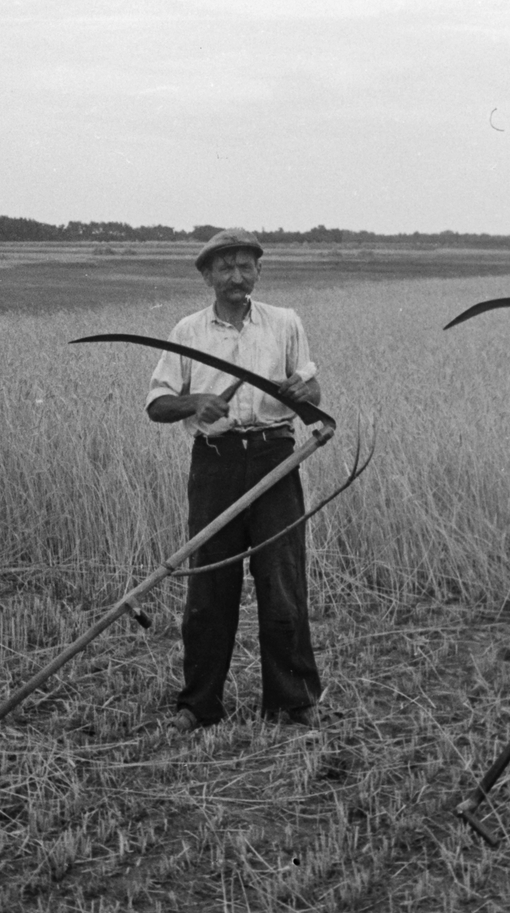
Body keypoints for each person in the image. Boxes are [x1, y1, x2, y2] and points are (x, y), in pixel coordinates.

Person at [146, 229, 324, 732]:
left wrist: (304, 389)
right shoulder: (187, 331)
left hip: (275, 458)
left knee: (282, 583)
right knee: (209, 585)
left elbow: (310, 391)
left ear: (259, 272)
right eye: (225, 268)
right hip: (215, 463)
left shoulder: (285, 324)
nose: (236, 277)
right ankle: (199, 705)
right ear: (207, 276)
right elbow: (158, 404)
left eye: (246, 267)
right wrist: (194, 403)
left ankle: (291, 702)